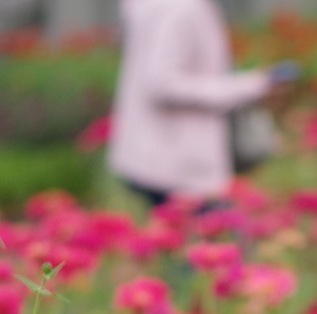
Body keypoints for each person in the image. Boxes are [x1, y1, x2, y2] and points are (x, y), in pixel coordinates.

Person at [108, 0, 277, 207]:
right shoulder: (183, 7)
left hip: (153, 153)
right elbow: (163, 83)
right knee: (210, 230)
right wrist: (251, 86)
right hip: (180, 161)